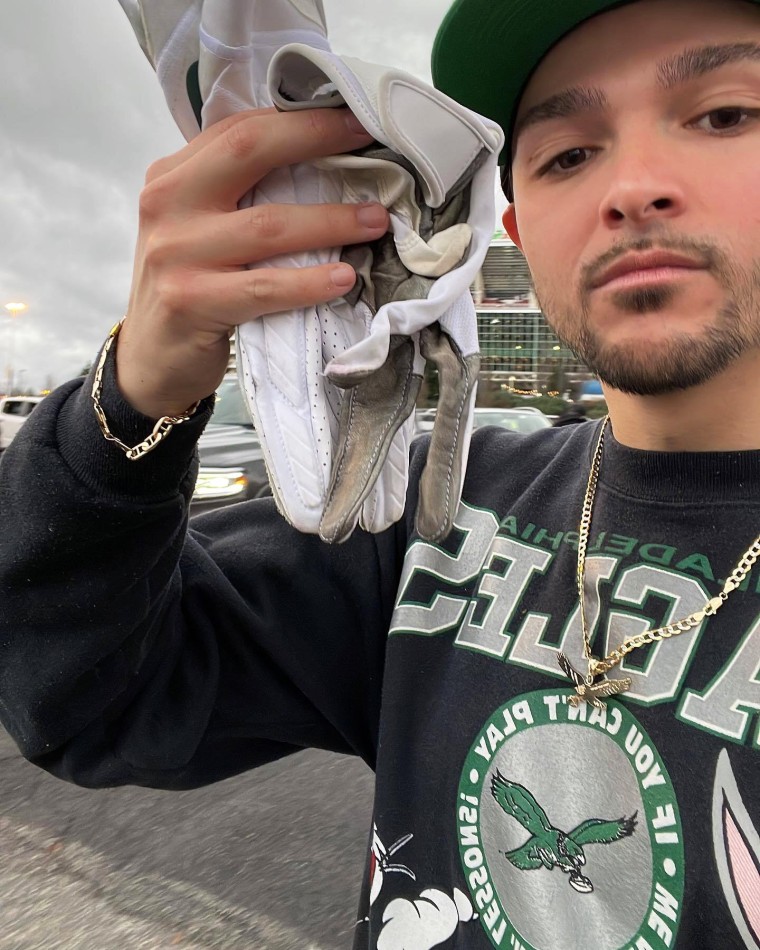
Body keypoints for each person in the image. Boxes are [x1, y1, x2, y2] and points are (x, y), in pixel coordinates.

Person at [1, 0, 759, 946]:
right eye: (568, 153)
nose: (634, 186)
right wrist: (136, 395)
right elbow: (87, 699)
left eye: (726, 115)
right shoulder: (433, 515)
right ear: (514, 231)